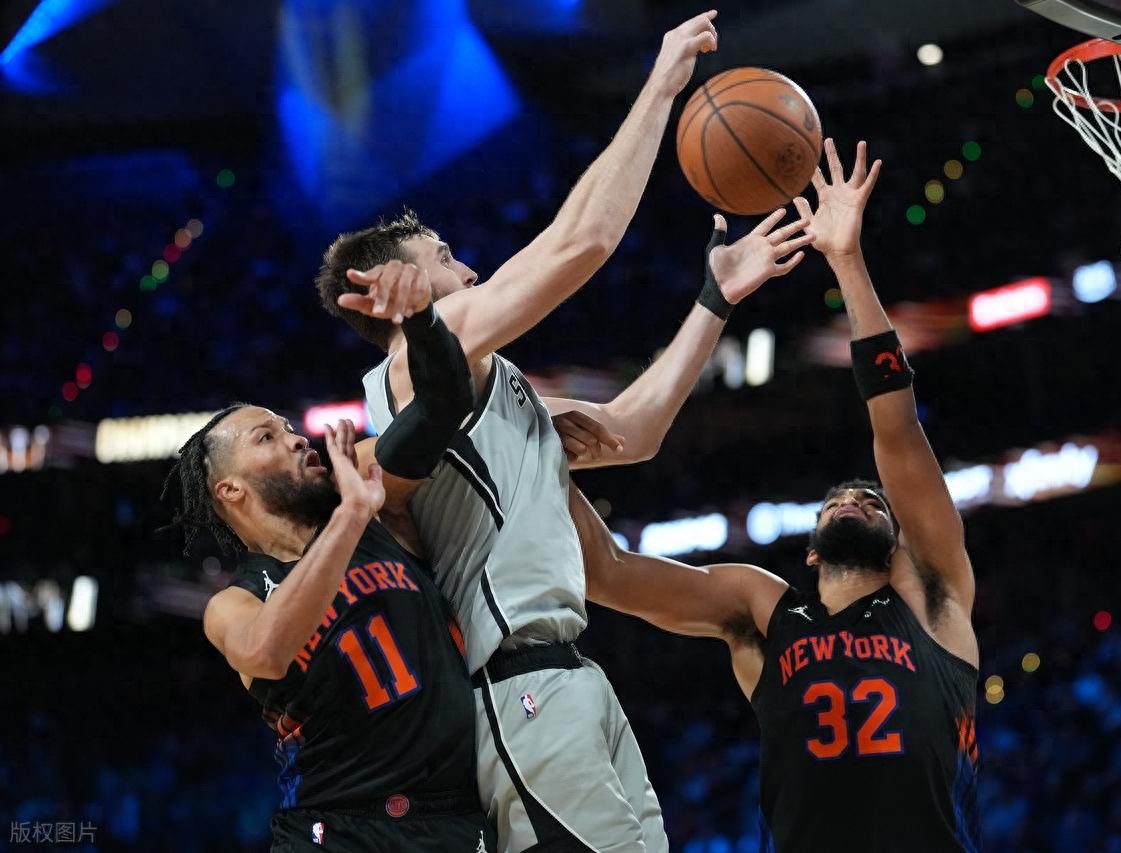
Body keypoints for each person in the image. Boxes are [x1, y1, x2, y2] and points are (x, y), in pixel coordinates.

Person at [313, 12, 814, 852]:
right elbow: (581, 242)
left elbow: (632, 441)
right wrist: (661, 85)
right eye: (445, 256)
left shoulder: (487, 392)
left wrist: (715, 298)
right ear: (399, 284)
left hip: (569, 682)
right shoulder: (415, 364)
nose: (470, 268)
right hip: (519, 692)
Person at [568, 141, 982, 853]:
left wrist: (846, 261)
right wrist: (541, 460)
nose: (856, 496)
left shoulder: (932, 597)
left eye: (873, 500)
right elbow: (606, 573)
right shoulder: (764, 608)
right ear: (812, 551)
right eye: (840, 498)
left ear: (896, 542)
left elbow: (897, 427)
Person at [165, 277, 496, 851]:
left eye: (290, 429)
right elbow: (267, 651)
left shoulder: (369, 496)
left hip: (455, 818)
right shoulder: (235, 602)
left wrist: (421, 319)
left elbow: (444, 407)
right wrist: (351, 515)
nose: (296, 440)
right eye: (266, 437)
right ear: (231, 490)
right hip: (335, 829)